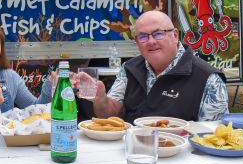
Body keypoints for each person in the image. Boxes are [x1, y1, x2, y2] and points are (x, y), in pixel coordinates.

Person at [76, 10, 228, 122]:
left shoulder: (208, 78)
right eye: (143, 36)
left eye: (158, 34)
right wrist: (100, 99)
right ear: (137, 43)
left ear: (175, 35)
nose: (151, 41)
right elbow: (110, 115)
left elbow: (213, 135)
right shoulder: (129, 69)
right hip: (131, 152)